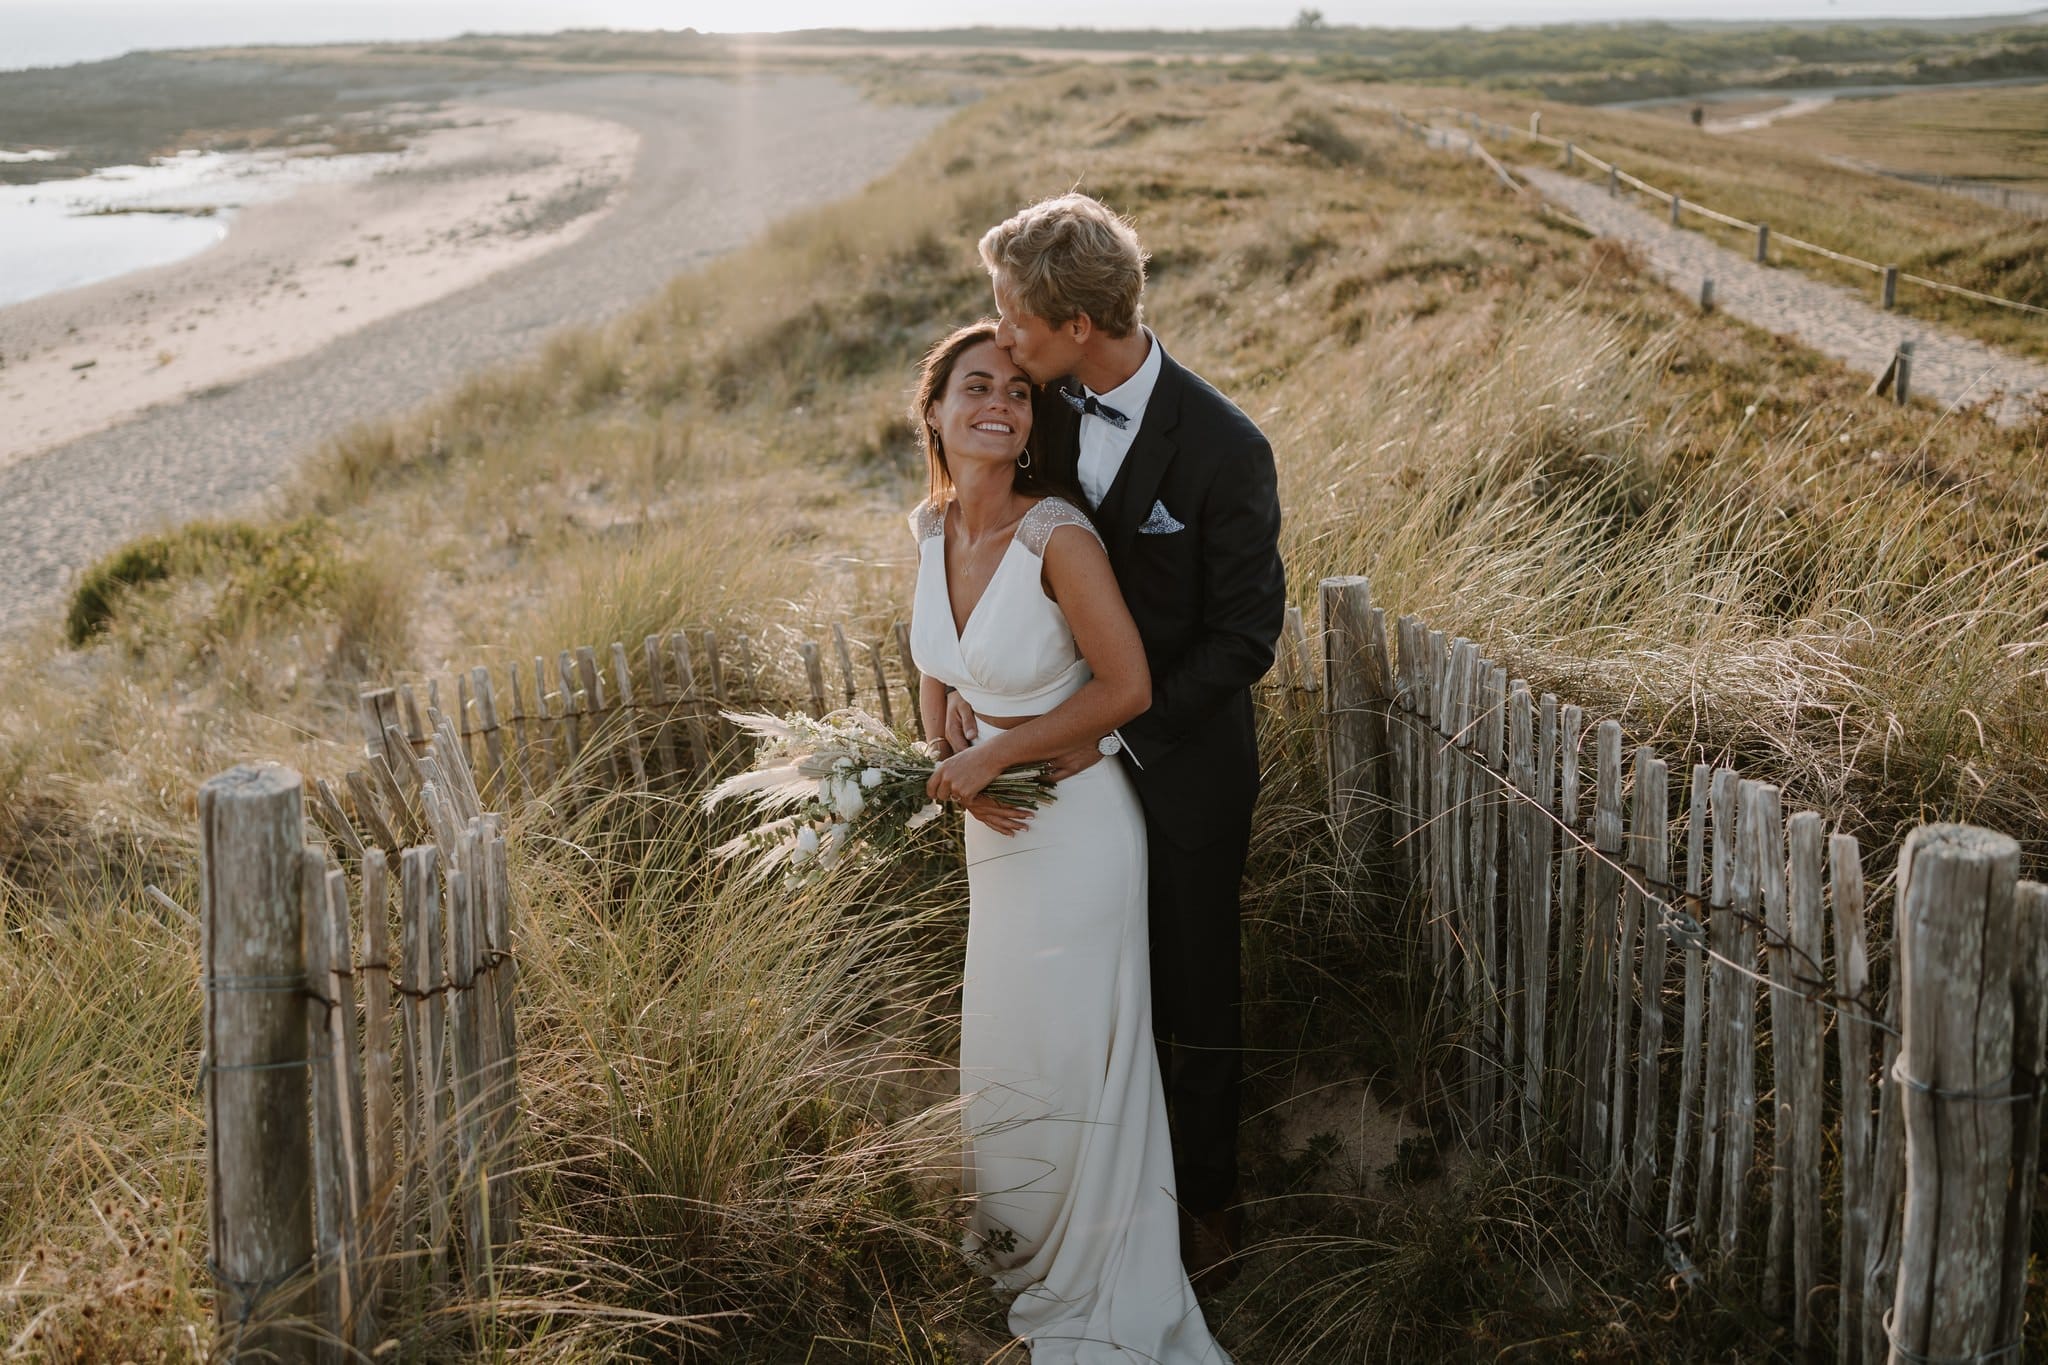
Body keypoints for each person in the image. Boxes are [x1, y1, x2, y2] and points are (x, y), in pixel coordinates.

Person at [953, 193, 1286, 1290]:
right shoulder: (1037, 406)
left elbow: (1245, 639)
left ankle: (1205, 1202)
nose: (1001, 336)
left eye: (1013, 318)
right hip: (1058, 773)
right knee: (1086, 984)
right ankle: (1088, 1186)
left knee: (1195, 991)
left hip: (1179, 766)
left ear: (1076, 328)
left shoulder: (1226, 447)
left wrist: (1113, 734)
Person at [911, 321, 1232, 1363]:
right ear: (935, 411)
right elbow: (937, 658)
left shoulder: (1058, 534)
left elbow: (1125, 688)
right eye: (973, 386)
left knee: (1069, 1046)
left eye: (1014, 387)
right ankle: (1018, 1234)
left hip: (1078, 829)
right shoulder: (928, 529)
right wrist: (944, 740)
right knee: (1009, 1036)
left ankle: (1092, 1255)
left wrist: (991, 760)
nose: (996, 402)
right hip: (996, 834)